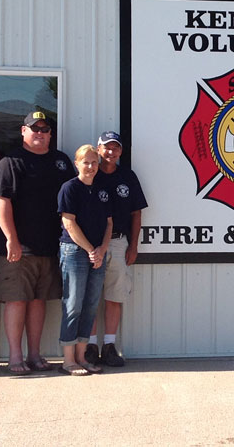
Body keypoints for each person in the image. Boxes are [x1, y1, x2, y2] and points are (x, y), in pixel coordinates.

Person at [0, 111, 75, 375]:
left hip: (51, 247)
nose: (39, 132)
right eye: (34, 128)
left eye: (44, 128)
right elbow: (1, 202)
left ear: (50, 133)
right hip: (19, 248)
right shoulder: (11, 162)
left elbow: (73, 200)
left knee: (39, 301)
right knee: (17, 300)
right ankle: (15, 357)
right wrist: (11, 240)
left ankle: (35, 355)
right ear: (23, 131)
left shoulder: (61, 161)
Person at [84, 131, 148, 367]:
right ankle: (89, 346)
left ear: (121, 151)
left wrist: (134, 245)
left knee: (114, 295)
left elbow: (136, 213)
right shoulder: (89, 173)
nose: (111, 152)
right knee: (90, 296)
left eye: (115, 148)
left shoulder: (127, 177)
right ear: (98, 149)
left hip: (119, 243)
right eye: (106, 148)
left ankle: (109, 346)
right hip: (91, 244)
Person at [56, 144, 113, 376]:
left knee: (90, 306)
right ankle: (68, 361)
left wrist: (102, 250)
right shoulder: (69, 188)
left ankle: (82, 357)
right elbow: (69, 223)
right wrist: (91, 250)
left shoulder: (102, 190)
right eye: (86, 162)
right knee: (73, 305)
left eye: (94, 162)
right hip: (74, 252)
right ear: (76, 163)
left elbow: (109, 223)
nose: (90, 167)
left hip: (98, 253)